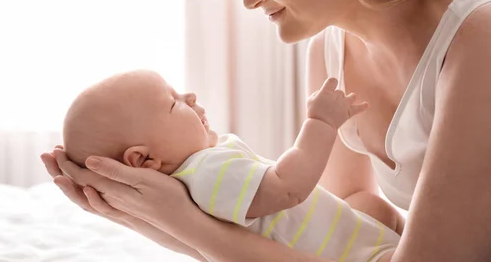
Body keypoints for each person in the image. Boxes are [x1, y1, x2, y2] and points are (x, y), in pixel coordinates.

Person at [41, 0, 491, 260]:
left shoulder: (479, 33)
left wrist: (187, 225)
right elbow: (342, 227)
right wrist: (152, 217)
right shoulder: (331, 52)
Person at [61, 69, 401, 262]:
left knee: (370, 206)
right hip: (359, 258)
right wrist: (321, 124)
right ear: (144, 159)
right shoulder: (207, 173)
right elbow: (287, 187)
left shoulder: (194, 180)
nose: (190, 97)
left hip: (348, 241)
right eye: (173, 103)